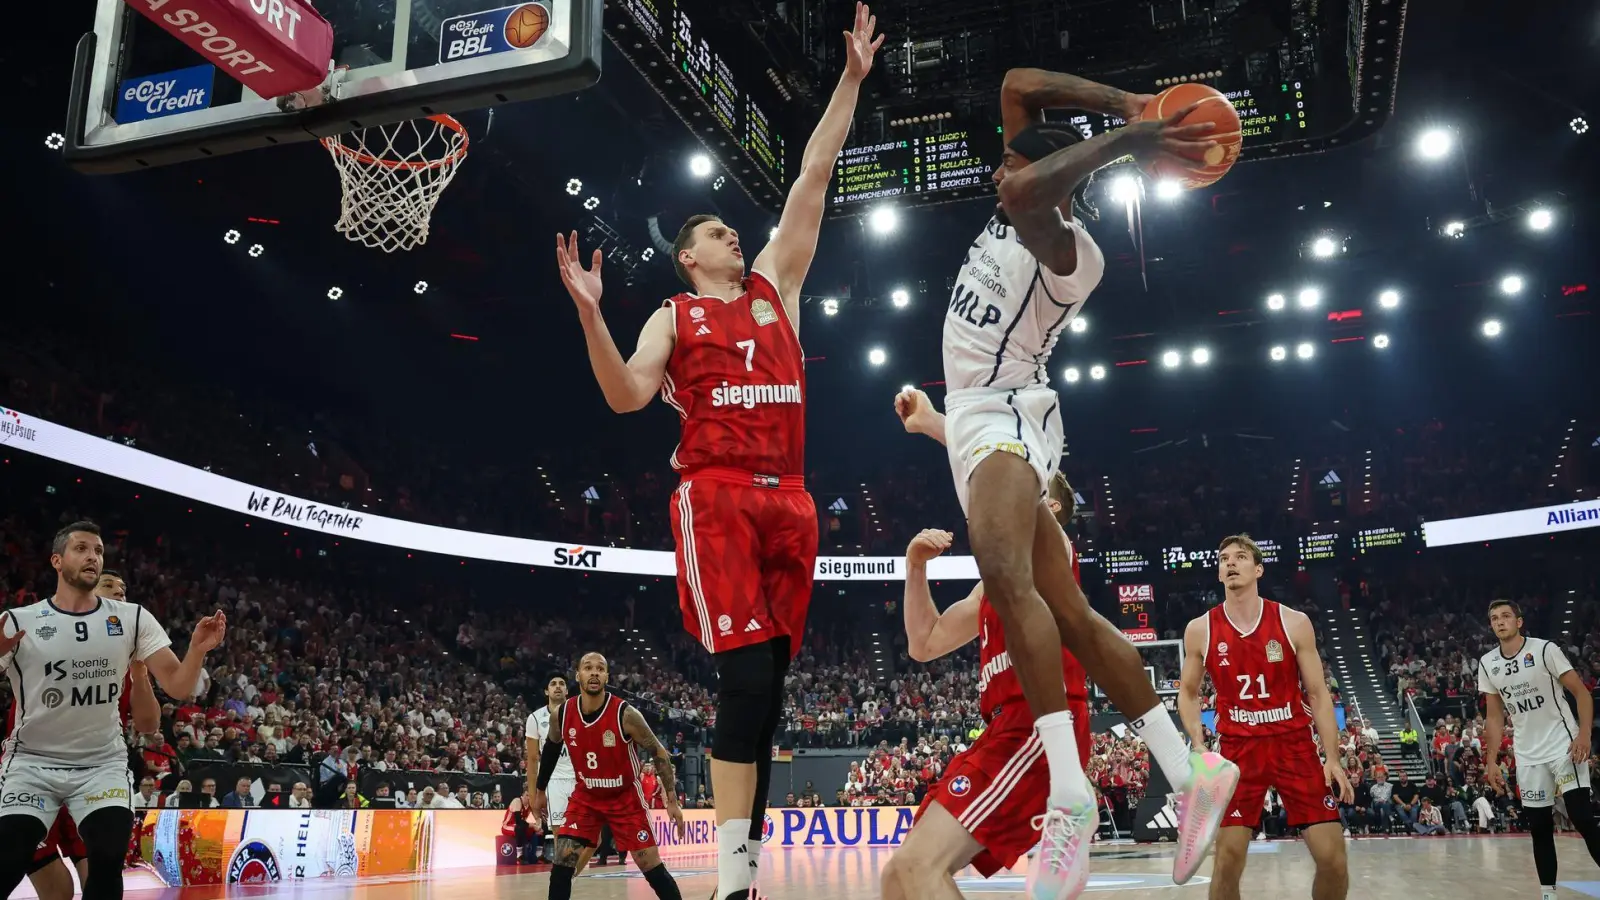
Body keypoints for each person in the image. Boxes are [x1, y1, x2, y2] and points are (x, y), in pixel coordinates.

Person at [556, 9, 883, 900]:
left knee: (767, 690)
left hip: (793, 500)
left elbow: (815, 172)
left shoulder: (779, 287)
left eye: (733, 231)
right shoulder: (675, 314)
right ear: (687, 257)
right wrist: (590, 315)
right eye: (714, 234)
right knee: (742, 677)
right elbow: (627, 394)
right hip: (719, 496)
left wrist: (850, 81)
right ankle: (735, 883)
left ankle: (739, 876)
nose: (733, 235)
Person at [894, 62, 1238, 897]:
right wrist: (1128, 104)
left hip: (1009, 414)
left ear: (1050, 181)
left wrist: (1132, 140)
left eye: (1015, 164)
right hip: (972, 416)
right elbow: (1016, 82)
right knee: (1073, 615)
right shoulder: (1021, 200)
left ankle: (1070, 792)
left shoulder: (1070, 252)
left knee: (1006, 577)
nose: (999, 173)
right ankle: (1190, 770)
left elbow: (1027, 189)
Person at [881, 476, 1092, 900]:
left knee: (919, 868)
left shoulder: (1052, 552)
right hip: (1001, 730)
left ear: (1047, 507)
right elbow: (924, 642)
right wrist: (916, 566)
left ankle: (1076, 809)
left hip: (1039, 726)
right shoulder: (990, 585)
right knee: (899, 877)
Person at [0, 521, 226, 900]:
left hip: (100, 765)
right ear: (57, 561)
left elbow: (178, 686)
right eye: (81, 548)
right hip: (33, 764)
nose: (93, 556)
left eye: (99, 551)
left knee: (106, 859)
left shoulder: (132, 619)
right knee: (10, 860)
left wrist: (197, 650)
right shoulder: (18, 621)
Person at [1178, 533, 1352, 900]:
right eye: (1224, 558)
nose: (1230, 562)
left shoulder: (1293, 622)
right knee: (1226, 861)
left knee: (1333, 860)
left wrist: (1333, 758)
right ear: (1219, 573)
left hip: (1294, 745)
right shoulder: (1200, 629)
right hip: (1238, 751)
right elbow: (1188, 693)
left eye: (1240, 557)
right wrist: (1198, 744)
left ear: (1258, 569)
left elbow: (1318, 694)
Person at [531, 653, 687, 900]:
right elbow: (550, 748)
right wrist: (540, 791)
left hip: (624, 797)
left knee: (650, 866)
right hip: (586, 796)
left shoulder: (626, 714)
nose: (594, 672)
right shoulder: (562, 713)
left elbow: (658, 752)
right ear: (578, 675)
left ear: (606, 677)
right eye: (588, 668)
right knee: (562, 863)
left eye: (600, 668)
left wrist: (672, 800)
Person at [1478, 598, 1600, 900]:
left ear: (1519, 622)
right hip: (1528, 754)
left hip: (1563, 745)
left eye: (1506, 616)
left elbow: (1582, 694)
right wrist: (1491, 762)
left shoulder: (1545, 650)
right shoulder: (1487, 663)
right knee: (1539, 828)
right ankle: (1548, 894)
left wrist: (1584, 735)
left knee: (1581, 817)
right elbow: (1494, 717)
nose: (1500, 621)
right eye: (1494, 618)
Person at [526, 673, 576, 855]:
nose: (558, 686)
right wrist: (533, 795)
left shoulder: (578, 712)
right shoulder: (535, 718)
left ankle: (577, 866)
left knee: (589, 834)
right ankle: (564, 868)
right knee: (559, 833)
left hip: (579, 779)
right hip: (554, 781)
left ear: (567, 690)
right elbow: (532, 759)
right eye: (553, 683)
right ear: (546, 691)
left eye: (561, 683)